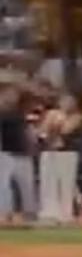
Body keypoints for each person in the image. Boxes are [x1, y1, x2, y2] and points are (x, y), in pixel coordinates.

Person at [36, 91, 82, 224]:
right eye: (64, 101)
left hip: (68, 153)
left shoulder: (76, 117)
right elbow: (42, 132)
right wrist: (48, 126)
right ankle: (49, 212)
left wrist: (57, 122)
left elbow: (66, 130)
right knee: (48, 182)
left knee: (66, 183)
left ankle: (66, 214)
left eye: (70, 101)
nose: (66, 104)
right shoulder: (51, 114)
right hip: (49, 151)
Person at [0, 82, 35, 223]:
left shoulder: (19, 111)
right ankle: (4, 213)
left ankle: (30, 213)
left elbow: (26, 131)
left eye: (14, 94)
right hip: (4, 153)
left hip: (22, 153)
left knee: (27, 185)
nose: (13, 97)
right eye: (9, 94)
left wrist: (31, 146)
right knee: (3, 186)